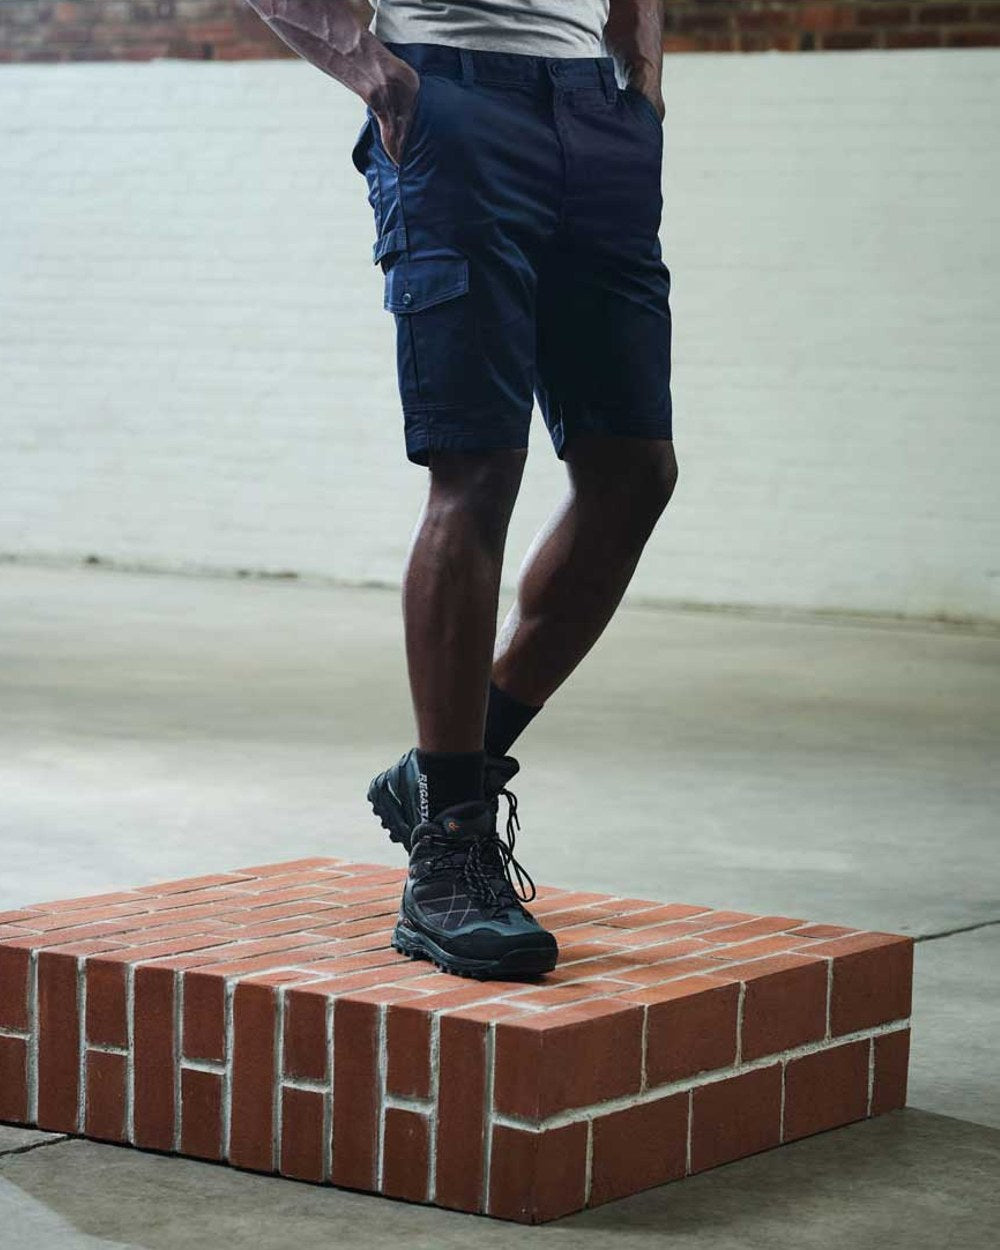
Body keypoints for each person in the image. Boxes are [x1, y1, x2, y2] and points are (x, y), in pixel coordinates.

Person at [242, 1, 676, 980]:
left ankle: (447, 769)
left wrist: (641, 83)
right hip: (452, 95)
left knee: (634, 472)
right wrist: (379, 76)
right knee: (478, 469)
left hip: (599, 114)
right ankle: (449, 856)